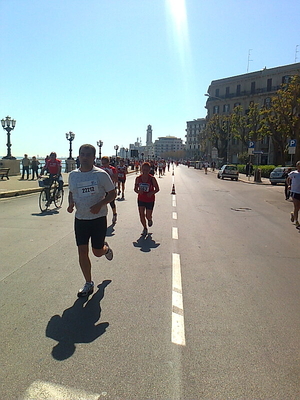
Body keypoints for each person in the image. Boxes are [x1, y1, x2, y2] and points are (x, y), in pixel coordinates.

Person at [67, 144, 116, 297]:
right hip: (80, 219)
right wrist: (70, 203)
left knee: (96, 252)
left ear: (94, 157)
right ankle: (88, 283)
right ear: (79, 156)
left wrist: (100, 204)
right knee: (82, 251)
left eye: (88, 154)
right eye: (82, 154)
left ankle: (105, 249)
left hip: (98, 219)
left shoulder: (101, 175)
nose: (85, 157)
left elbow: (112, 194)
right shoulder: (73, 175)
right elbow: (71, 192)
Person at [134, 162, 160, 236]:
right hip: (141, 199)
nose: (145, 171)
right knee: (141, 214)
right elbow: (135, 189)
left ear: (149, 170)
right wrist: (138, 191)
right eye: (143, 169)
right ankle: (145, 228)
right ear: (141, 169)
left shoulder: (152, 179)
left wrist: (151, 193)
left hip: (150, 199)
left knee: (148, 215)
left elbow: (157, 189)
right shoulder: (138, 178)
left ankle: (149, 219)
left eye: (147, 170)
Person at [100, 156, 118, 224]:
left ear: (108, 162)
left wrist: (108, 175)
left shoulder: (112, 169)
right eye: (103, 163)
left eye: (105, 163)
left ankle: (114, 214)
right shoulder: (100, 169)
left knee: (112, 203)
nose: (104, 165)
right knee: (102, 204)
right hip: (102, 190)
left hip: (111, 188)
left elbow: (116, 179)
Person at [287, 161, 300, 229]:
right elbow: (288, 179)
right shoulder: (293, 173)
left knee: (298, 208)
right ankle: (296, 221)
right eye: (299, 165)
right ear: (297, 166)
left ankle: (293, 214)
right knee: (296, 206)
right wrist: (289, 185)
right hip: (294, 191)